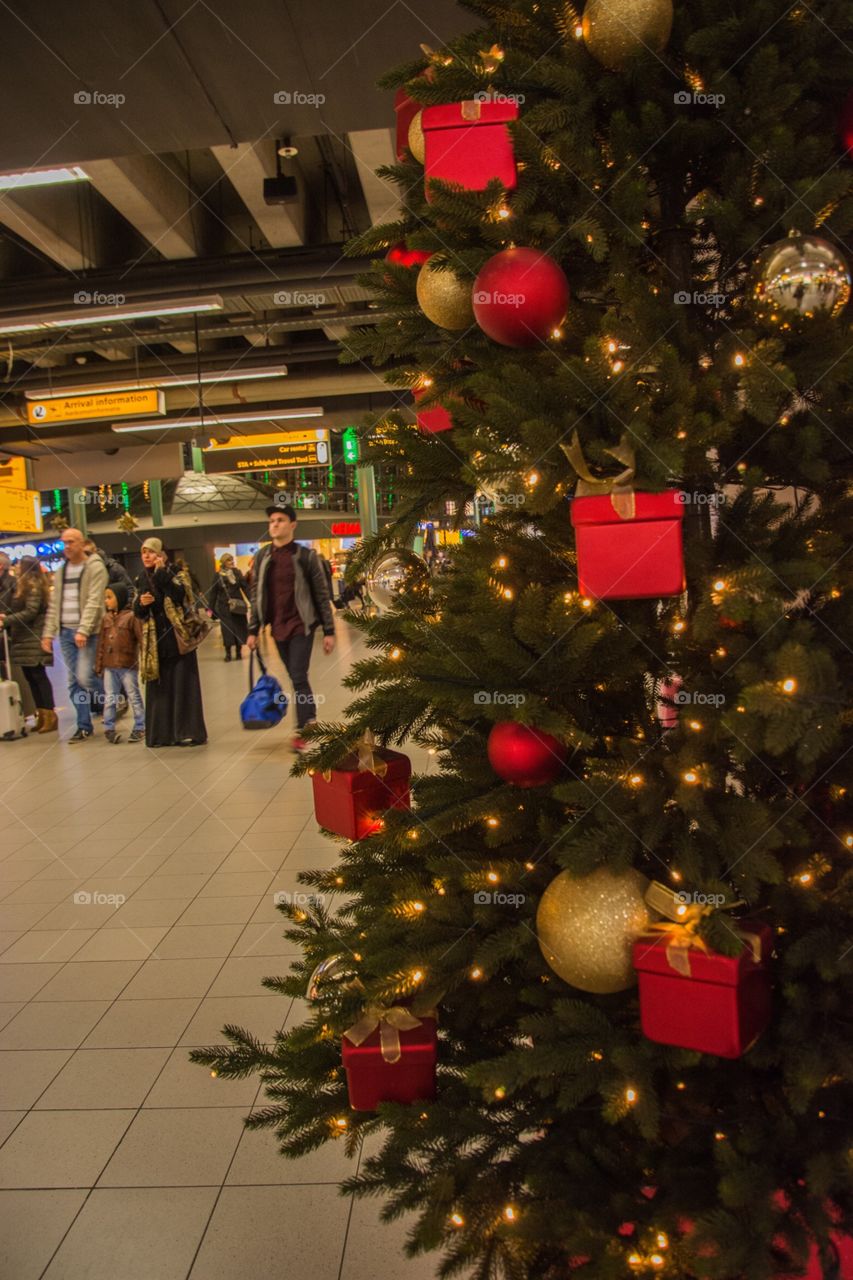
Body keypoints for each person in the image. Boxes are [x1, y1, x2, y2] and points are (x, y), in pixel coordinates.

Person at [247, 503, 335, 751]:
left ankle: (304, 727)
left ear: (293, 525)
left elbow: (321, 594)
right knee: (296, 677)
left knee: (297, 675)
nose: (275, 524)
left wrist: (329, 631)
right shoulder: (262, 557)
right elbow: (256, 595)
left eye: (280, 520)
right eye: (272, 521)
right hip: (277, 627)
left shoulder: (305, 556)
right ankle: (311, 718)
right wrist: (253, 630)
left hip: (301, 625)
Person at [133, 537, 207, 747]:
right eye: (143, 552)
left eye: (151, 552)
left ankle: (187, 731)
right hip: (155, 642)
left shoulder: (176, 573)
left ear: (161, 554)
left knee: (183, 685)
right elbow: (138, 612)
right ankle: (162, 735)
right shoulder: (141, 578)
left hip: (177, 638)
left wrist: (161, 573)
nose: (146, 556)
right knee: (160, 689)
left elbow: (181, 596)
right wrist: (141, 604)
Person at [41, 527, 107, 742]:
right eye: (64, 542)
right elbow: (54, 604)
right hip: (65, 632)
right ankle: (83, 725)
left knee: (86, 677)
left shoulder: (95, 568)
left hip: (88, 632)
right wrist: (48, 634)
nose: (67, 546)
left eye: (71, 542)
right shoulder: (61, 571)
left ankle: (113, 700)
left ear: (81, 543)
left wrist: (83, 629)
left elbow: (94, 601)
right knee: (73, 682)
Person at [0, 555, 56, 733]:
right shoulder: (26, 585)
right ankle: (42, 715)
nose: (16, 568)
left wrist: (7, 620)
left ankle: (50, 716)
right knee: (31, 677)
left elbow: (31, 611)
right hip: (24, 638)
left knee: (38, 676)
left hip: (33, 637)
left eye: (19, 565)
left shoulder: (33, 586)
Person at [95, 583, 145, 744]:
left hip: (127, 664)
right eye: (105, 598)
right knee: (110, 697)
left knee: (133, 695)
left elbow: (141, 639)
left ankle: (140, 726)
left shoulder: (132, 617)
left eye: (109, 597)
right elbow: (101, 644)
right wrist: (99, 665)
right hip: (109, 666)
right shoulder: (106, 619)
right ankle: (109, 727)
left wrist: (146, 661)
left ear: (120, 598)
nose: (106, 601)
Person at [207, 553, 250, 661]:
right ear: (223, 562)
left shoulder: (237, 573)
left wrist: (253, 602)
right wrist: (210, 610)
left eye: (232, 560)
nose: (231, 562)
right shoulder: (218, 576)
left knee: (239, 628)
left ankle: (239, 652)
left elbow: (245, 588)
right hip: (224, 608)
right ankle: (228, 653)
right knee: (227, 630)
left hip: (238, 606)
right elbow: (213, 593)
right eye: (229, 560)